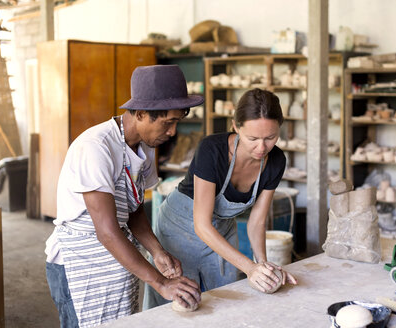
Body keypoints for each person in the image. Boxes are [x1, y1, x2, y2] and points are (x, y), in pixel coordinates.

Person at [44, 65, 202, 328]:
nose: (173, 132)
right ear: (140, 114)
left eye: (177, 122)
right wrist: (161, 282)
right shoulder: (96, 148)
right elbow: (106, 231)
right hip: (81, 267)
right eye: (168, 122)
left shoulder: (145, 147)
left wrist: (157, 251)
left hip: (116, 263)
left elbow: (134, 209)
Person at [144, 88, 298, 309]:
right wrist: (249, 268)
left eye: (270, 137)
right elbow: (202, 225)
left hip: (222, 229)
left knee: (225, 300)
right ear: (235, 126)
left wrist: (262, 266)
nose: (262, 147)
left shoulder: (275, 161)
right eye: (252, 138)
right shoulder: (212, 150)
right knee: (182, 304)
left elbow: (257, 221)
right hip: (180, 229)